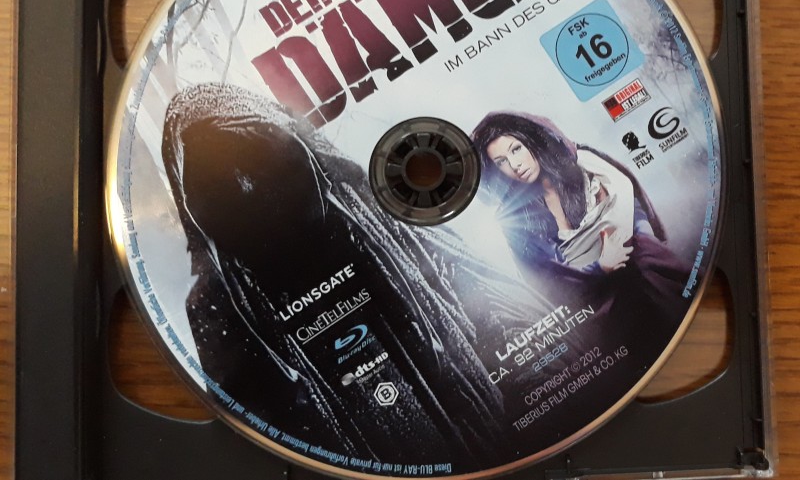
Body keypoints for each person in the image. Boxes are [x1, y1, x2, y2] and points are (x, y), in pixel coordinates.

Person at [160, 83, 545, 470]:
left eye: (264, 164)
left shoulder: (395, 231)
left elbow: (518, 327)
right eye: (222, 189)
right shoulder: (225, 322)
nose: (252, 190)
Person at [471, 111, 689, 367]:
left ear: (531, 140)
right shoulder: (515, 219)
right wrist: (601, 267)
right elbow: (548, 281)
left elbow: (631, 204)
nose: (515, 165)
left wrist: (638, 241)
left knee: (648, 267)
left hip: (640, 263)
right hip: (593, 305)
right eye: (501, 162)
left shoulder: (584, 163)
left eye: (516, 149)